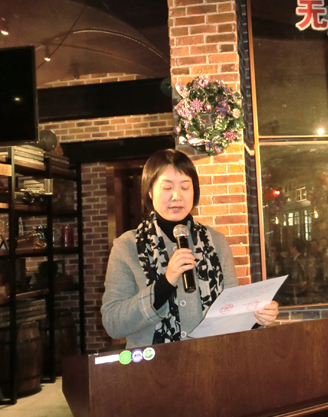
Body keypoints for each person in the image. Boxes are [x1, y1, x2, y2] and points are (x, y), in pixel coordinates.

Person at [102, 149, 278, 348]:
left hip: (210, 359)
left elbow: (231, 312)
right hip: (154, 363)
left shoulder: (216, 242)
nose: (177, 196)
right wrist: (164, 285)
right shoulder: (127, 246)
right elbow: (113, 323)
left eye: (185, 187)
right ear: (150, 192)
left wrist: (257, 317)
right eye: (167, 187)